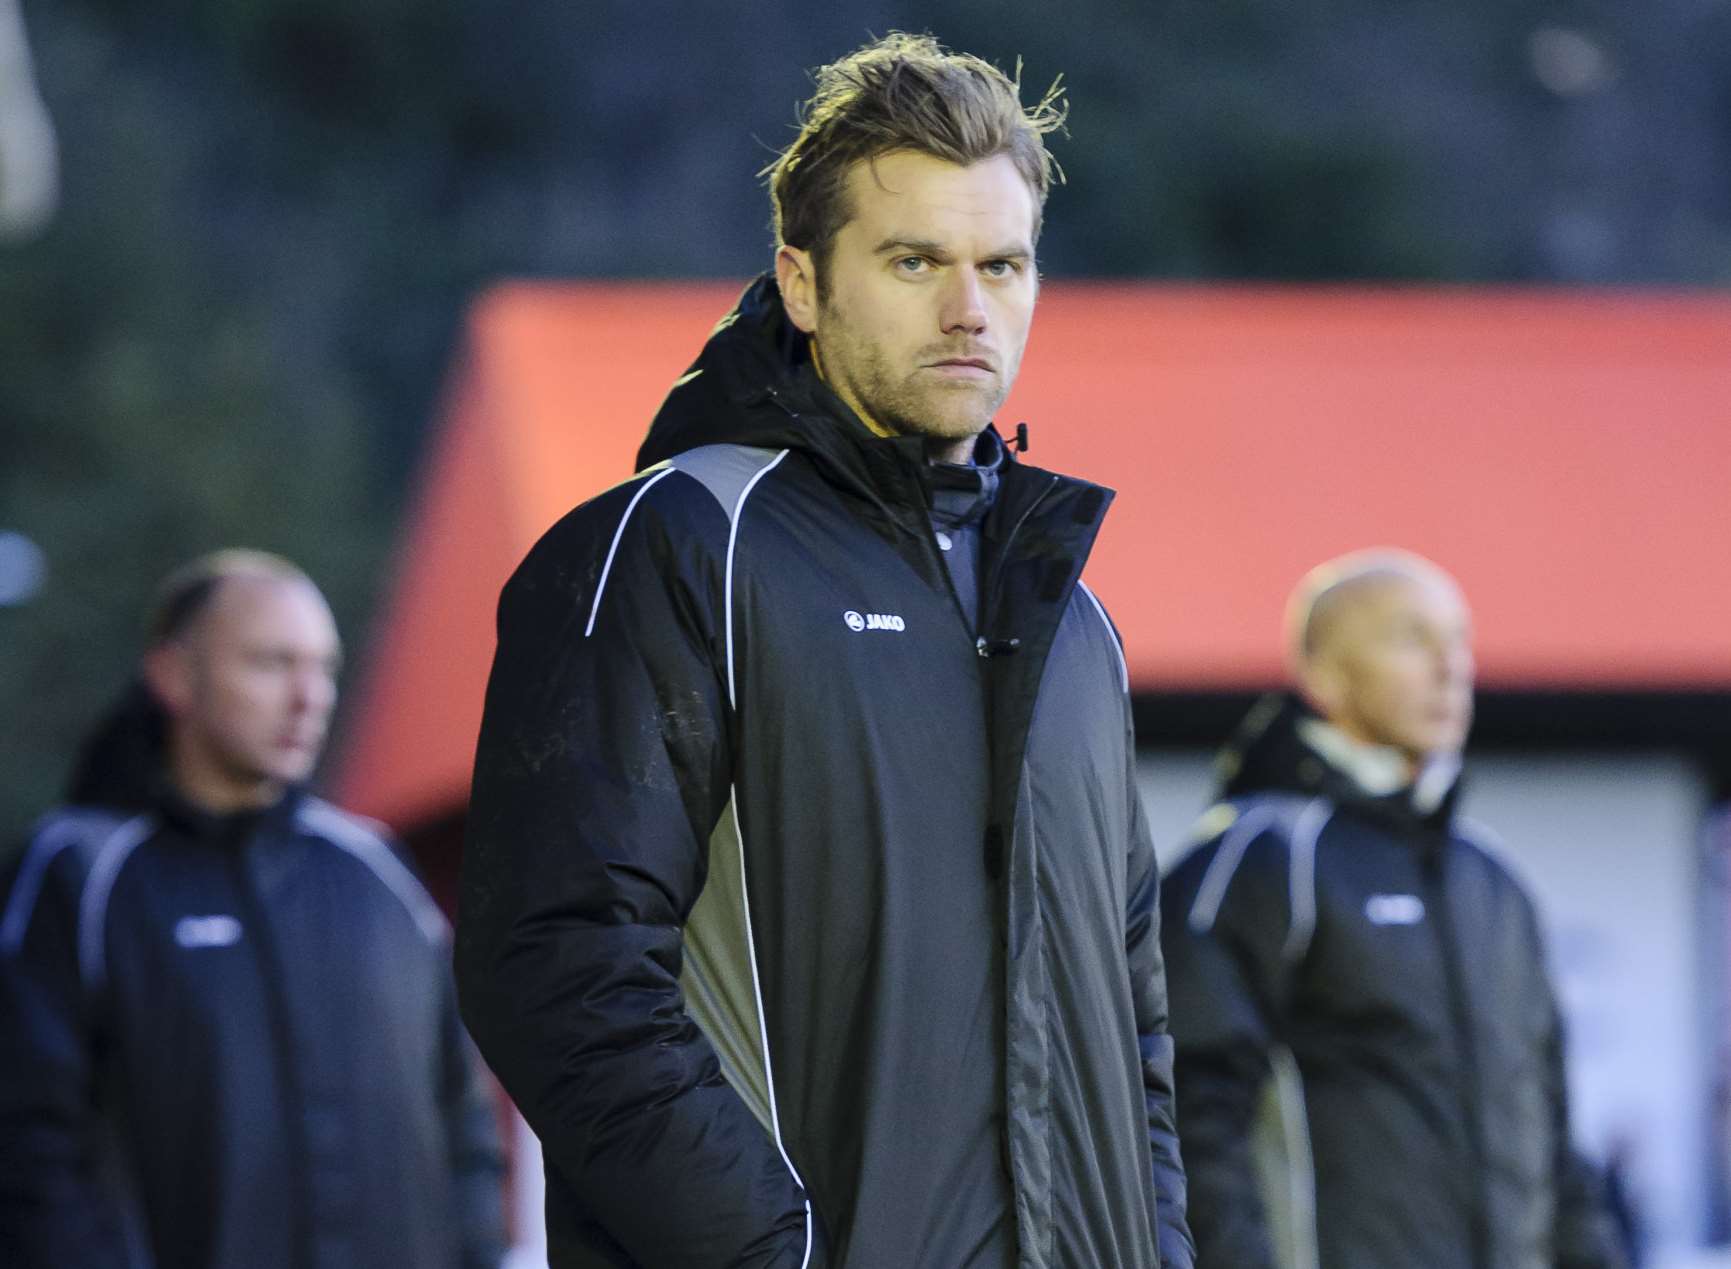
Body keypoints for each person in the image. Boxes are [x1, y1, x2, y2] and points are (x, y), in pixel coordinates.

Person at [457, 32, 1194, 1269]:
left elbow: (1138, 1027)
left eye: (1002, 265)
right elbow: (558, 961)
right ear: (802, 284)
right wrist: (775, 1252)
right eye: (915, 262)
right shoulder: (680, 546)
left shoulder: (1072, 613)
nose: (970, 309)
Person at [0, 550, 507, 1269]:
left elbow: (464, 1121)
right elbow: (30, 1146)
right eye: (272, 663)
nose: (310, 696)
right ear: (174, 676)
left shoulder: (375, 870)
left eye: (323, 667)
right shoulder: (81, 874)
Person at [1159, 548, 1625, 1269]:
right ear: (1323, 673)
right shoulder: (1256, 859)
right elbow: (1191, 1120)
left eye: (1459, 640)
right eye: (1411, 638)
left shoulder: (1493, 878)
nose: (1450, 667)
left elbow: (1555, 1137)